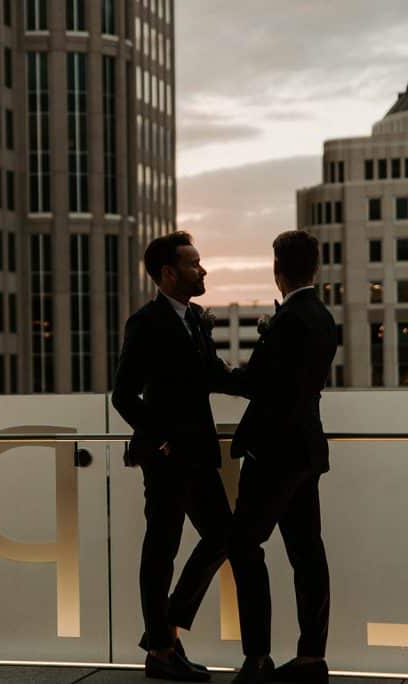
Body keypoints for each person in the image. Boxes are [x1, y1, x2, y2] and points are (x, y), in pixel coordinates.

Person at [112, 231, 236, 682]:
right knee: (160, 550)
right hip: (166, 459)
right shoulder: (144, 323)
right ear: (168, 273)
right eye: (194, 263)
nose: (203, 270)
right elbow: (123, 395)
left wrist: (269, 381)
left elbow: (214, 376)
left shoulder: (196, 320)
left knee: (224, 536)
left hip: (200, 455)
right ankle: (162, 651)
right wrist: (161, 441)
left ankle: (164, 632)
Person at [227, 230, 337, 684]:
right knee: (307, 553)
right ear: (315, 267)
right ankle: (312, 656)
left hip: (273, 454)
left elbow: (257, 384)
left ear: (277, 269)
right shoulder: (323, 317)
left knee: (244, 546)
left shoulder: (289, 320)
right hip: (306, 451)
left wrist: (212, 372)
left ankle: (257, 657)